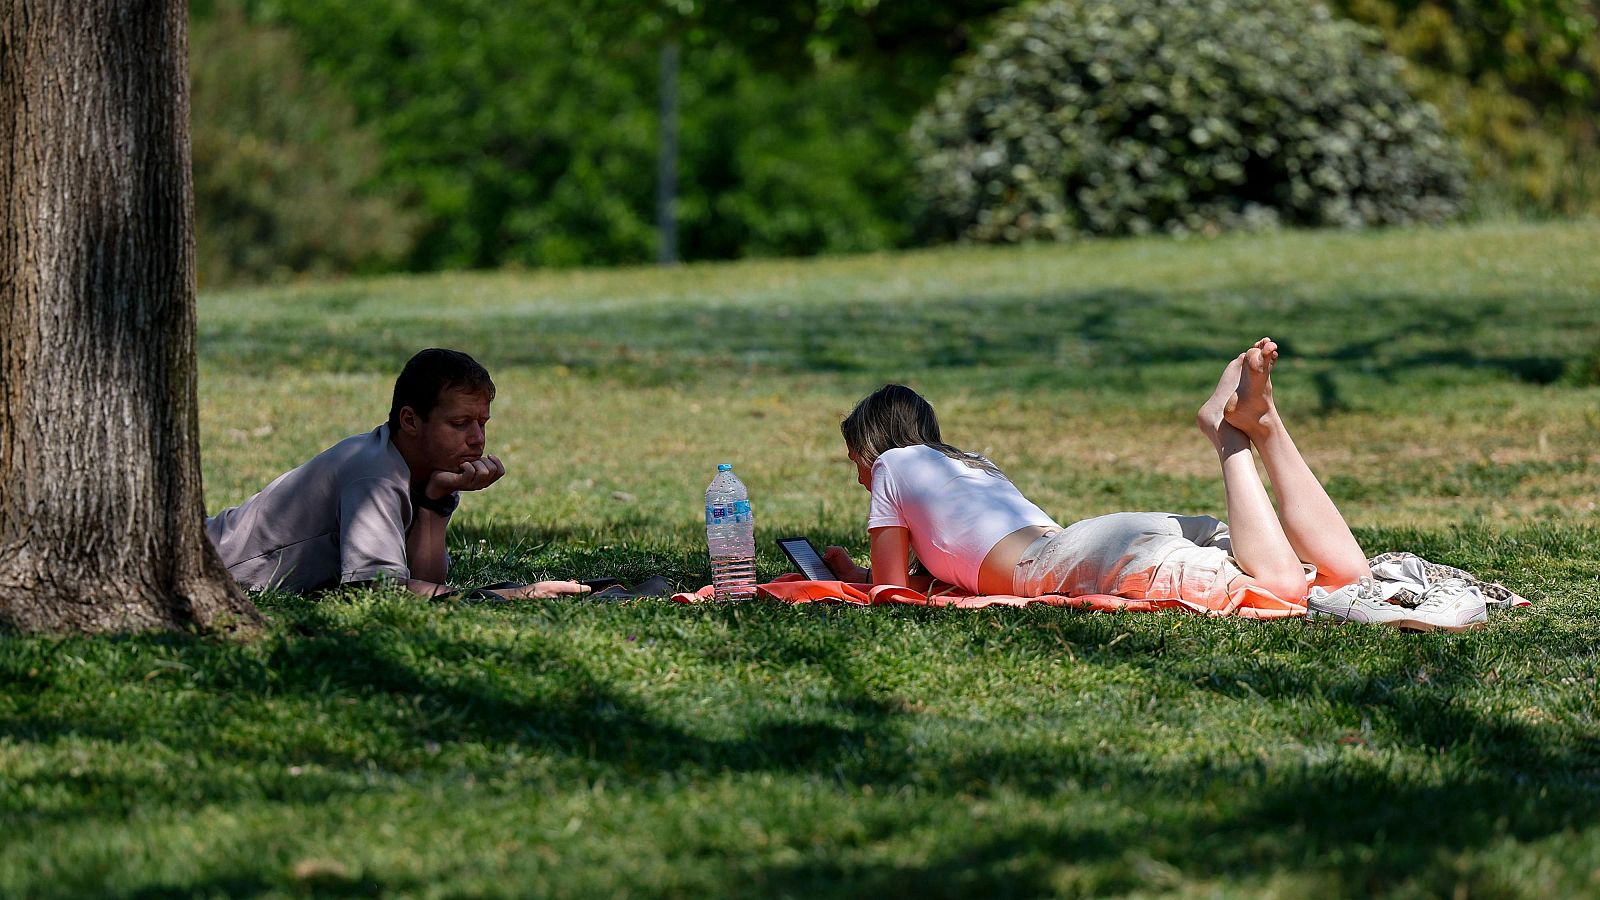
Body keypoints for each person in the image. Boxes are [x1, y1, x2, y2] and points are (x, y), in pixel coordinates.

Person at [821, 338, 1372, 607]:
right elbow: (950, 569)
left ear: (872, 449)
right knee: (1346, 573)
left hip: (1078, 559)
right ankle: (1268, 426)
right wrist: (854, 566)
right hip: (1102, 537)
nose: (861, 483)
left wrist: (851, 578)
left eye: (856, 468)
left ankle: (1227, 435)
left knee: (1279, 589)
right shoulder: (967, 466)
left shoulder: (892, 467)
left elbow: (892, 591)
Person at [205, 348, 590, 600]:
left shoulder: (411, 466)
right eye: (459, 423)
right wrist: (512, 595)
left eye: (481, 423)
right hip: (210, 565)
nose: (477, 439)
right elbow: (378, 589)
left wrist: (435, 502)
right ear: (410, 420)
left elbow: (423, 578)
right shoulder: (375, 476)